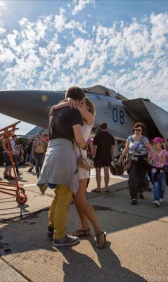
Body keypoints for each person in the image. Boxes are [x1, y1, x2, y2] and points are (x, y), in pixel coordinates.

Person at [50, 97, 107, 249]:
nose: (78, 105)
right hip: (70, 162)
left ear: (88, 108)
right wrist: (63, 104)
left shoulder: (89, 118)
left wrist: (67, 104)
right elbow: (54, 109)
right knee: (76, 198)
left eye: (82, 104)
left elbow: (61, 109)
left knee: (80, 198)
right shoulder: (75, 118)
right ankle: (85, 228)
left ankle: (99, 231)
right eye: (78, 103)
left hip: (80, 164)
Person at [37, 86, 89, 247]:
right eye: (82, 102)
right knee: (64, 198)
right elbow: (80, 139)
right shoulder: (74, 112)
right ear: (79, 101)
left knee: (57, 196)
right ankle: (59, 237)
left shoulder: (54, 112)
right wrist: (86, 147)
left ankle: (51, 229)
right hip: (64, 155)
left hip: (51, 154)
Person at [117, 122, 151, 205]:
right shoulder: (129, 138)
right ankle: (133, 197)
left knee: (141, 178)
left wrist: (149, 159)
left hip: (142, 160)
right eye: (136, 129)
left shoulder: (145, 139)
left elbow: (149, 150)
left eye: (139, 130)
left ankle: (140, 191)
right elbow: (126, 149)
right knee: (132, 178)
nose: (137, 131)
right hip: (132, 160)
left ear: (142, 131)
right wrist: (120, 158)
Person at [92, 123, 115, 193]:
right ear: (106, 128)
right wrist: (111, 155)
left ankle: (98, 188)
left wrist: (93, 156)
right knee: (106, 172)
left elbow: (94, 147)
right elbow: (113, 148)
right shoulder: (111, 136)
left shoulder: (97, 136)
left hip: (98, 155)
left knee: (98, 172)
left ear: (100, 128)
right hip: (107, 155)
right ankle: (106, 188)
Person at [148, 137, 167, 207]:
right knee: (156, 186)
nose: (154, 144)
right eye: (154, 142)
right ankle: (156, 199)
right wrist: (149, 156)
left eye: (156, 142)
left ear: (161, 143)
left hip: (161, 171)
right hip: (154, 171)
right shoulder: (152, 150)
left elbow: (162, 161)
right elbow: (148, 161)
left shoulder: (163, 152)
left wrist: (156, 153)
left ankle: (161, 196)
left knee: (162, 186)